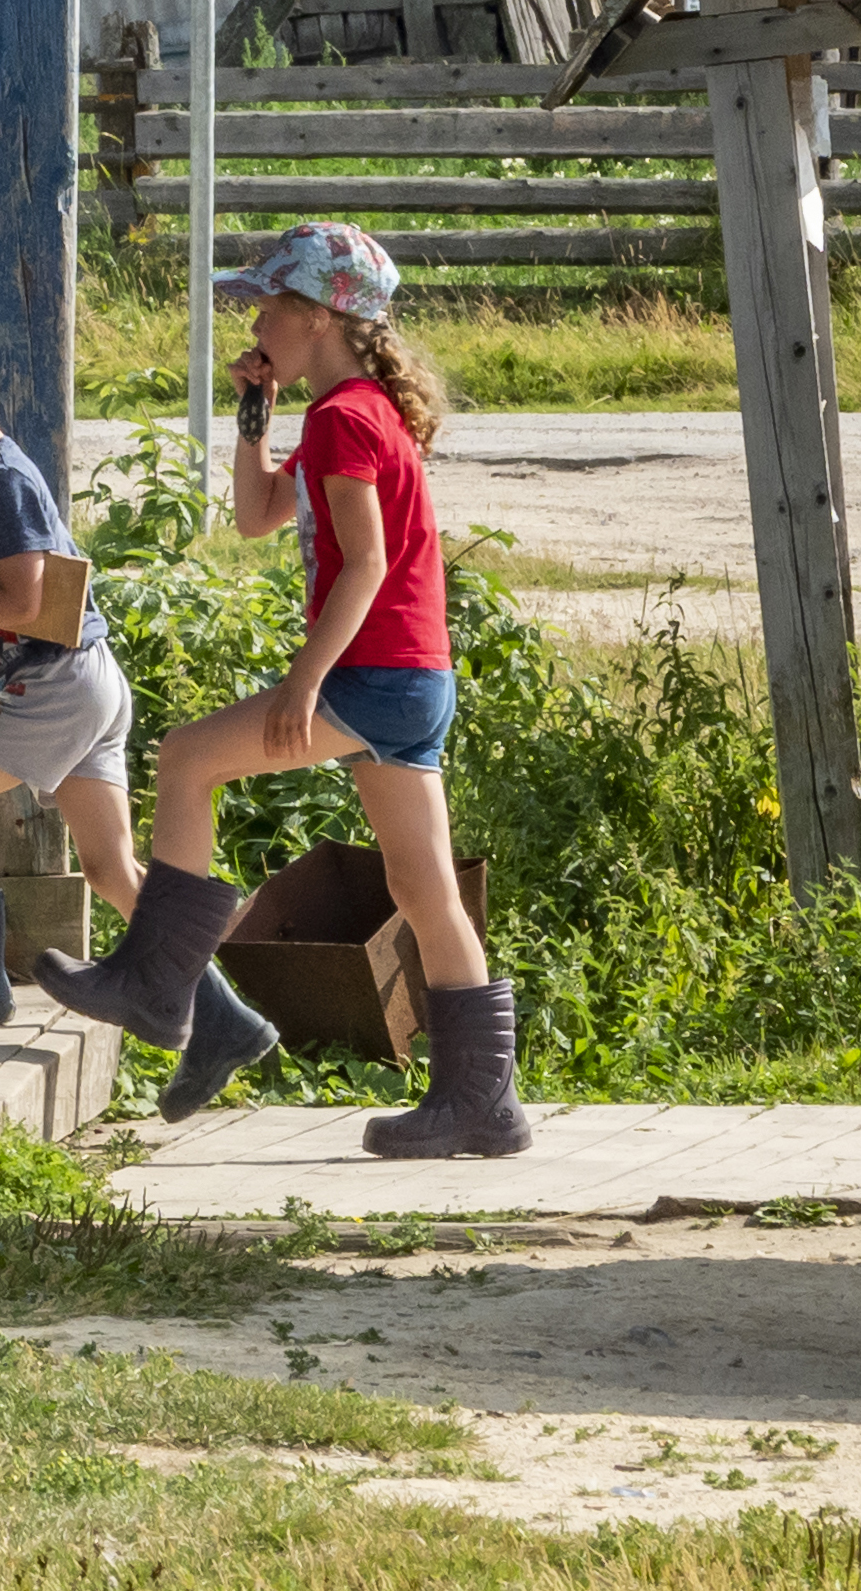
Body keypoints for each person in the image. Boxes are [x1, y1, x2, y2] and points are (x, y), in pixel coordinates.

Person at [40, 224, 529, 1160]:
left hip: (374, 673)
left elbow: (368, 564)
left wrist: (304, 681)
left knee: (185, 758)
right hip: (414, 676)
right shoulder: (349, 409)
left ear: (316, 316)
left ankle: (153, 978)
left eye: (266, 302)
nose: (252, 314)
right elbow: (256, 516)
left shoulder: (348, 416)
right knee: (423, 890)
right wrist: (254, 416)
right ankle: (483, 1103)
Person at [0, 350, 285, 1118]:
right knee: (112, 868)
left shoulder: (2, 477)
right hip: (84, 679)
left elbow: (23, 600)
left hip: (56, 684)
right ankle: (223, 1021)